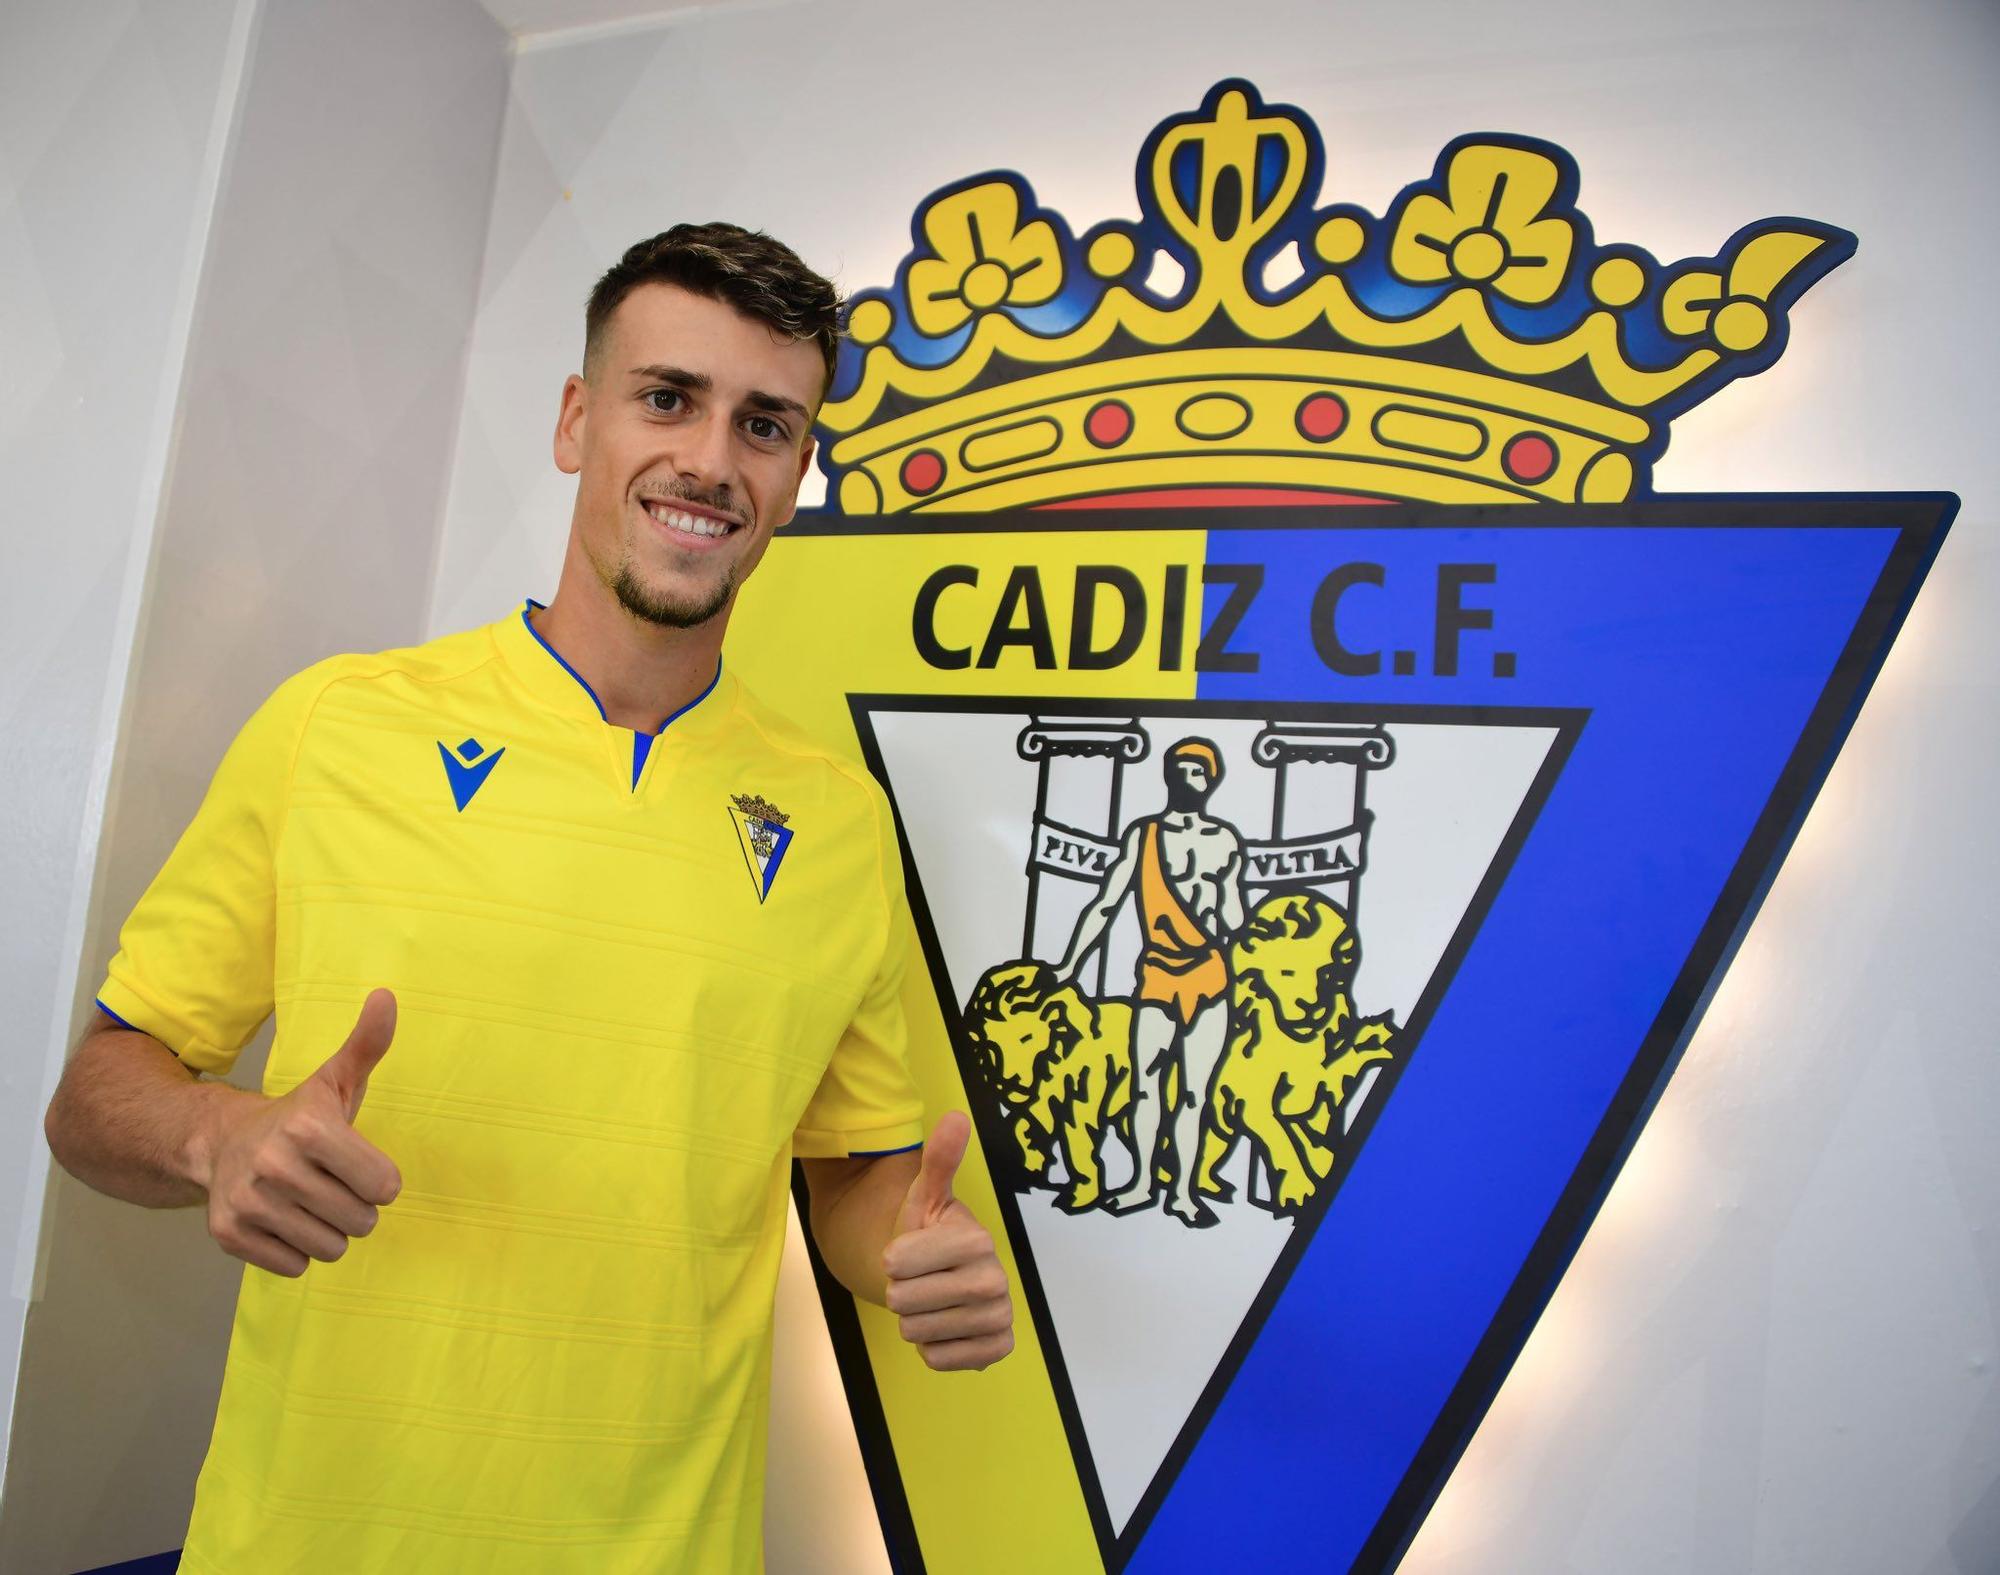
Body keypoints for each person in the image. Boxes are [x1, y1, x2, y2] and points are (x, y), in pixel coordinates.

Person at [43, 223, 1012, 1573]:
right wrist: (220, 1132)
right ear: (576, 419)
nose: (711, 461)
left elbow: (848, 1169)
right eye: (667, 397)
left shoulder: (840, 820)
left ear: (797, 475)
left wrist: (905, 1248)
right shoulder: (339, 723)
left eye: (766, 424)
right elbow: (96, 1092)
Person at [1055, 738, 1247, 1227]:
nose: (1188, 779)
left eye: (1198, 772)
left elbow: (1235, 920)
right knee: (1145, 1086)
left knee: (1194, 1094)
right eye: (1180, 769)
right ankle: (1142, 1182)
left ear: (1213, 780)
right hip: (1159, 974)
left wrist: (1216, 896)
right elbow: (1105, 905)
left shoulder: (1225, 841)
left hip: (1210, 975)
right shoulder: (1144, 835)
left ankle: (1182, 1192)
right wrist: (1070, 965)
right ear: (1166, 775)